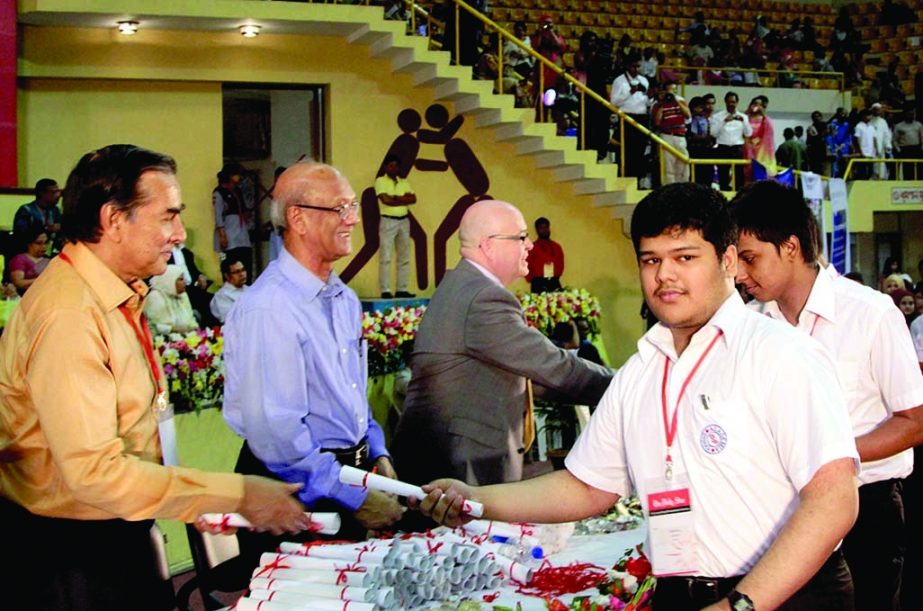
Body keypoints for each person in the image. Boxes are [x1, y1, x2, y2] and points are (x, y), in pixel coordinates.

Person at [418, 182, 859, 611]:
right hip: (679, 592)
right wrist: (477, 499)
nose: (664, 274)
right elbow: (587, 486)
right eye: (651, 260)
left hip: (782, 594)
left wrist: (739, 604)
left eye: (684, 257)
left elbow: (833, 500)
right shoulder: (641, 371)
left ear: (727, 261)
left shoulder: (781, 355)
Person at [0, 144, 310, 611]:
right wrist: (234, 494)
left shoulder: (116, 295)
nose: (180, 234)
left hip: (112, 537)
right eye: (167, 217)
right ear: (113, 219)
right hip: (70, 557)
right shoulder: (69, 314)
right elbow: (93, 474)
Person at [731, 180, 923, 611]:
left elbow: (915, 420)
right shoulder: (749, 324)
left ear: (791, 247)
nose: (741, 275)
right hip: (781, 509)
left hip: (865, 506)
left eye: (750, 258)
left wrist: (830, 456)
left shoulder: (870, 313)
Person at [223, 162, 405, 557]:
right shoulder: (270, 307)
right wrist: (350, 495)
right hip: (294, 494)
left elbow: (351, 393)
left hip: (342, 477)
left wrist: (377, 450)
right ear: (298, 219)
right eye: (340, 209)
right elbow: (277, 436)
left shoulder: (344, 299)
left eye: (353, 206)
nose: (354, 219)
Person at [391, 200, 612, 488]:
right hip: (461, 470)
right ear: (488, 245)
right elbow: (554, 367)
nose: (530, 245)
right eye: (521, 237)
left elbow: (533, 377)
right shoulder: (482, 297)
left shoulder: (465, 286)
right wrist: (631, 387)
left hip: (456, 463)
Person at [375, 153, 417, 299]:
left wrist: (395, 198)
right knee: (386, 256)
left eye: (395, 166)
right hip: (388, 221)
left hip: (404, 221)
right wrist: (402, 199)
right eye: (390, 165)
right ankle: (385, 290)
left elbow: (413, 198)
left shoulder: (403, 182)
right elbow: (385, 200)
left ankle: (402, 289)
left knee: (404, 256)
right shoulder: (380, 181)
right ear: (386, 167)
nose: (393, 168)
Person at [610, 53, 651, 183]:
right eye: (634, 66)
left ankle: (637, 180)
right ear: (627, 66)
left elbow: (647, 101)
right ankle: (624, 178)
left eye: (638, 66)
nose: (636, 69)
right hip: (626, 118)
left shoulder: (644, 81)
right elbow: (614, 102)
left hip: (642, 117)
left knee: (640, 151)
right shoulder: (619, 81)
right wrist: (630, 92)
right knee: (627, 151)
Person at [213, 164, 253, 278]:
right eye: (237, 174)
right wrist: (222, 235)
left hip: (242, 233)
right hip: (229, 232)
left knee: (245, 263)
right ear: (230, 175)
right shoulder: (219, 192)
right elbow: (218, 214)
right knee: (231, 264)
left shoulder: (238, 191)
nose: (239, 177)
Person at [710, 91, 752, 190]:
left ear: (737, 102)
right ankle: (724, 193)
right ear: (725, 102)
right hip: (722, 147)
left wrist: (744, 122)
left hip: (737, 148)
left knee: (739, 175)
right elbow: (713, 133)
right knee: (723, 174)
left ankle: (739, 195)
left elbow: (748, 133)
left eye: (733, 102)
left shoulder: (744, 117)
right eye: (728, 102)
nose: (731, 104)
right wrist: (724, 121)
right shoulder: (718, 116)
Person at [143, 264, 199, 335]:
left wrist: (194, 329)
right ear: (170, 280)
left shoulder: (183, 294)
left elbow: (191, 320)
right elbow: (157, 326)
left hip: (187, 336)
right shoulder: (155, 297)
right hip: (163, 339)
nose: (184, 282)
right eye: (181, 279)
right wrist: (180, 330)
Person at [652, 82, 691, 184]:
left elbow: (688, 115)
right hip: (666, 135)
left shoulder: (681, 101)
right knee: (668, 166)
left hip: (680, 136)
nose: (671, 93)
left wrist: (676, 101)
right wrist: (663, 103)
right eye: (669, 91)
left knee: (683, 163)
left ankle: (682, 186)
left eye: (673, 91)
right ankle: (669, 188)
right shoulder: (658, 105)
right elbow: (657, 122)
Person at [13, 178, 62, 252]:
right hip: (28, 254)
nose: (58, 195)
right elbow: (21, 235)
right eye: (53, 192)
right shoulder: (26, 211)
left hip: (50, 252)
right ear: (42, 193)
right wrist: (47, 229)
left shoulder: (55, 210)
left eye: (58, 191)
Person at [525, 216, 564, 293]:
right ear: (537, 230)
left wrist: (556, 276)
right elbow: (527, 265)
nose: (544, 230)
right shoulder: (532, 247)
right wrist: (533, 279)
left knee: (559, 304)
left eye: (546, 227)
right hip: (538, 283)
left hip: (554, 281)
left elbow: (561, 264)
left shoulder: (556, 246)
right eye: (541, 228)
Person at [8, 226, 51, 295]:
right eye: (39, 243)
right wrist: (44, 280)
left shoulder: (50, 261)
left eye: (46, 243)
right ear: (29, 244)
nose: (43, 246)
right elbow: (19, 283)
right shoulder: (19, 259)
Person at [743, 96, 775, 179]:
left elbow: (769, 133)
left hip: (762, 152)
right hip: (747, 150)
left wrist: (763, 114)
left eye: (759, 104)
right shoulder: (745, 118)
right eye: (755, 104)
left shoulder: (767, 120)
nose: (756, 106)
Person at [209, 257, 248, 323]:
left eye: (243, 270)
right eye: (237, 272)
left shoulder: (249, 289)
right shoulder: (221, 296)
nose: (242, 274)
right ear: (227, 276)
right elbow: (230, 320)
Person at [893, 107, 923, 180]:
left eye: (912, 114)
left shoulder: (918, 125)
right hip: (905, 150)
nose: (911, 115)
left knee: (919, 168)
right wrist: (898, 149)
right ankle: (907, 182)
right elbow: (894, 140)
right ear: (905, 114)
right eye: (909, 114)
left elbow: (922, 137)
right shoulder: (899, 126)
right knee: (907, 168)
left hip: (916, 149)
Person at [870, 103, 893, 179]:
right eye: (875, 109)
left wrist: (888, 145)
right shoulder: (869, 121)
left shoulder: (883, 122)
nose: (877, 111)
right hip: (870, 149)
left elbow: (886, 135)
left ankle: (881, 178)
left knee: (881, 166)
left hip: (881, 149)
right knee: (872, 167)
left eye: (878, 110)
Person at [854, 109, 877, 180]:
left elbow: (874, 139)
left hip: (871, 153)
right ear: (863, 116)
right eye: (868, 115)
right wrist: (860, 152)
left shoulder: (872, 127)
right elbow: (857, 140)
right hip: (863, 153)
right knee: (862, 172)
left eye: (870, 115)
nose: (870, 117)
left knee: (870, 171)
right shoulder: (859, 126)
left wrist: (875, 150)